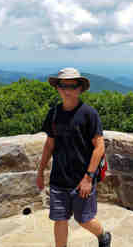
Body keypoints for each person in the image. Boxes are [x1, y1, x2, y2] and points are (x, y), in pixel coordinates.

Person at [36, 67, 112, 247]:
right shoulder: (53, 113)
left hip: (82, 180)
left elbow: (99, 147)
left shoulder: (88, 114)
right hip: (58, 179)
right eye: (63, 86)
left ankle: (103, 236)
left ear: (80, 89)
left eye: (72, 86)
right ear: (57, 88)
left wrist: (88, 178)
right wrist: (40, 172)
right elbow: (49, 145)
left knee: (84, 219)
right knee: (60, 219)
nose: (67, 90)